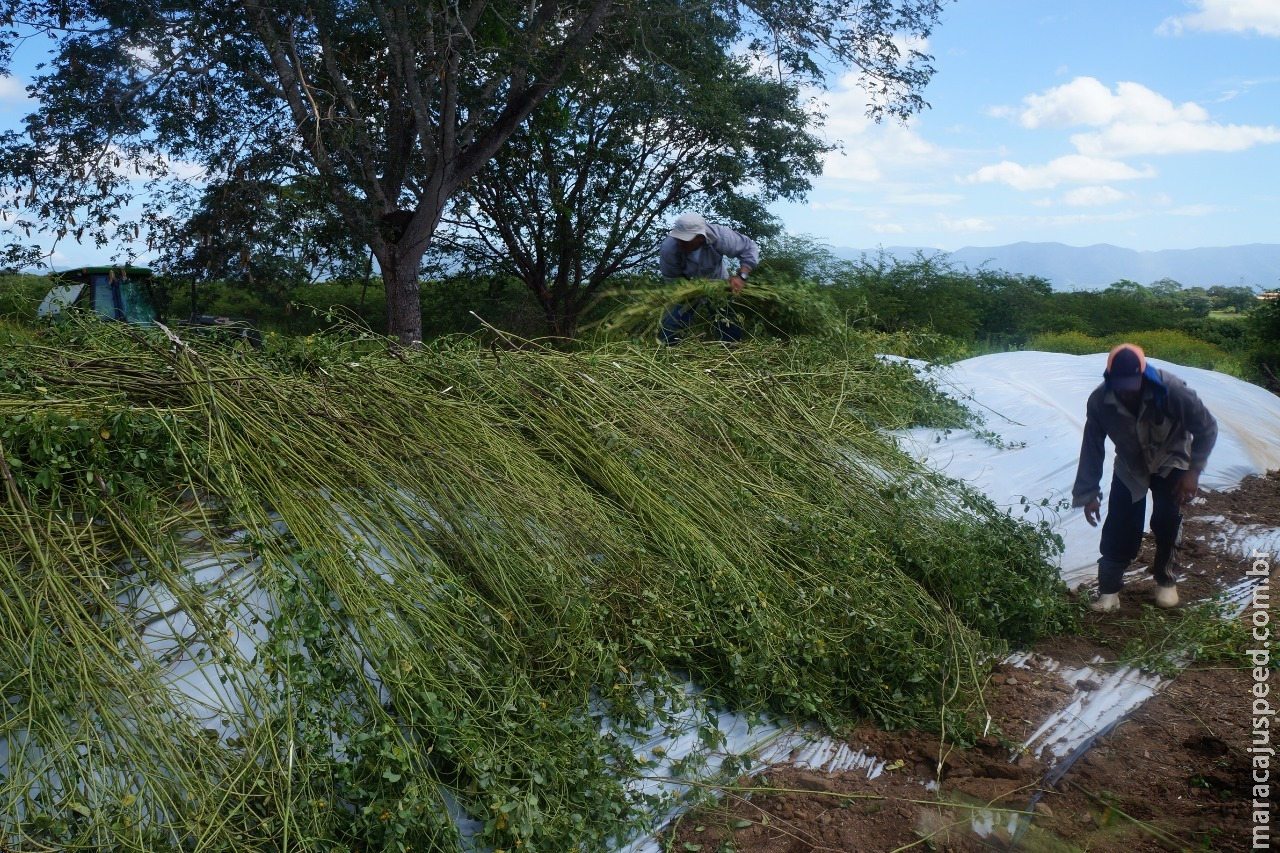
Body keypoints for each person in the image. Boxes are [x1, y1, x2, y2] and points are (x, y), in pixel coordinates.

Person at [1072, 343, 1218, 612]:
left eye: (1133, 384)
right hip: (1131, 465)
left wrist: (1193, 472)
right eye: (1120, 384)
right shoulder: (1099, 402)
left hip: (1172, 460)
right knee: (1120, 524)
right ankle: (1109, 592)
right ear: (1109, 378)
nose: (1127, 391)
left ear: (1143, 375)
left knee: (1166, 519)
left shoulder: (1172, 391)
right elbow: (1092, 446)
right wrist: (1088, 493)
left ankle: (1166, 582)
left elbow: (1206, 427)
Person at [657, 212, 760, 344]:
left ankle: (732, 350)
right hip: (685, 287)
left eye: (685, 240)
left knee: (726, 320)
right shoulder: (669, 248)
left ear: (700, 237)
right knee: (673, 321)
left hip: (717, 282)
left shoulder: (721, 236)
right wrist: (685, 290)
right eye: (678, 238)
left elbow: (749, 248)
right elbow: (671, 277)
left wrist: (741, 277)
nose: (680, 243)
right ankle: (668, 350)